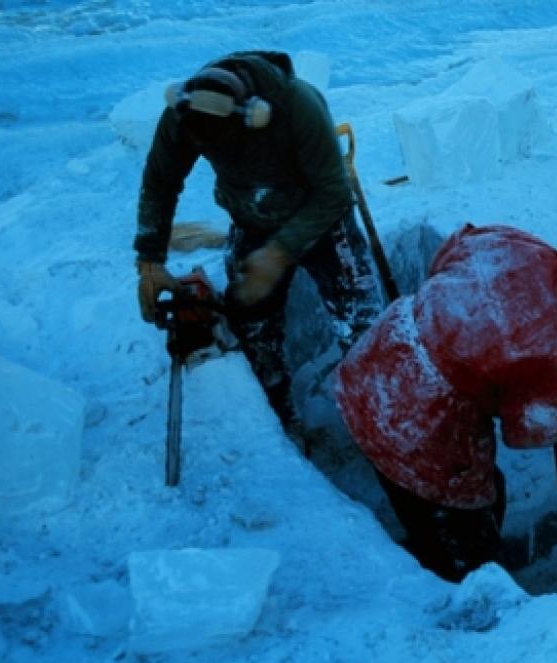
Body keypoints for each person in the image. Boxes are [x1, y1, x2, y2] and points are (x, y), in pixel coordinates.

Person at [334, 223, 557, 582]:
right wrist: (555, 391)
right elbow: (529, 432)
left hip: (372, 362)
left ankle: (425, 546)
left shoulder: (517, 243)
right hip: (419, 429)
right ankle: (440, 580)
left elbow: (447, 253)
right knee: (467, 549)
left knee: (482, 494)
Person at [133, 51, 382, 439]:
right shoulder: (185, 114)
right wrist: (149, 260)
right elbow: (160, 182)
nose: (218, 154)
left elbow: (333, 193)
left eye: (226, 145)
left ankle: (381, 419)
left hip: (322, 219)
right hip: (252, 216)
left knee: (363, 324)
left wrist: (279, 253)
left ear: (250, 118)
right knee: (252, 326)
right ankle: (281, 423)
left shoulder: (297, 107)